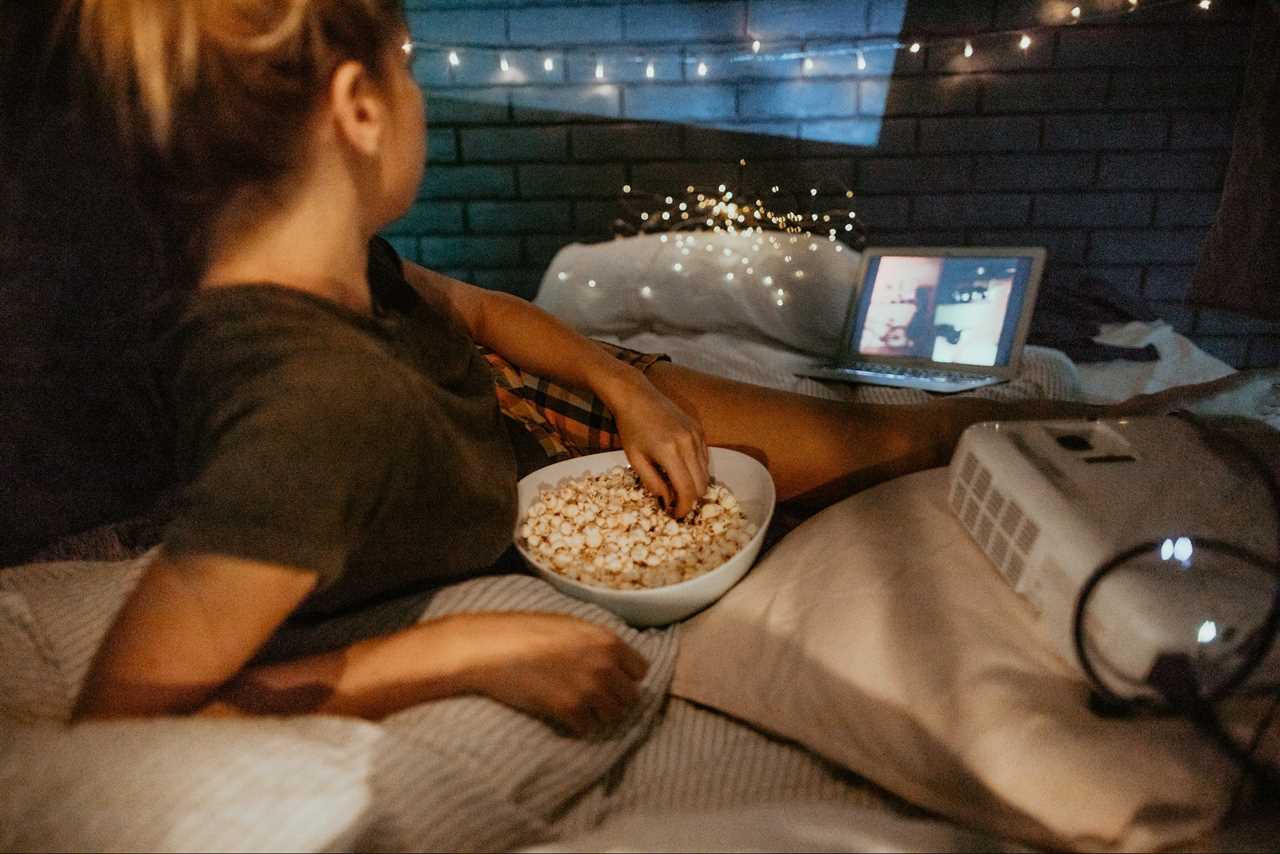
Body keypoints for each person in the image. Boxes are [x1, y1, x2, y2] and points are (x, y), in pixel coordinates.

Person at [53, 0, 1277, 735]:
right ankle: (1200, 426)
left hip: (583, 408)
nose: (422, 88)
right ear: (357, 107)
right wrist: (442, 652)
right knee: (885, 446)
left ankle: (1135, 411)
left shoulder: (340, 268)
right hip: (548, 461)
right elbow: (121, 714)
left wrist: (626, 381)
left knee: (910, 427)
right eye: (414, 64)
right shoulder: (306, 409)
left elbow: (481, 305)